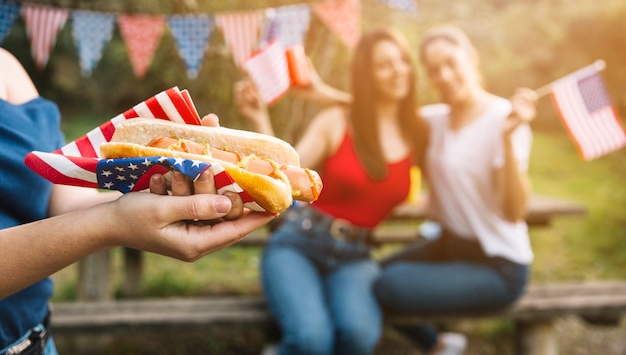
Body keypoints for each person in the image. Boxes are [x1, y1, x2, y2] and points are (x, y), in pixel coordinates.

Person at [0, 47, 275, 355]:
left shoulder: (8, 66)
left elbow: (64, 204)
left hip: (38, 340)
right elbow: (94, 225)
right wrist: (114, 224)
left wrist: (160, 195)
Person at [235, 29, 422, 355]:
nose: (398, 70)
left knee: (358, 337)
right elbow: (284, 171)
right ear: (367, 75)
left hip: (356, 256)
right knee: (311, 341)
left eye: (403, 60)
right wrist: (258, 118)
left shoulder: (419, 132)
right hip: (299, 243)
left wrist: (322, 91)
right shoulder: (336, 120)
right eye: (385, 64)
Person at [372, 24, 539, 354]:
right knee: (368, 274)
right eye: (434, 71)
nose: (444, 76)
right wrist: (318, 92)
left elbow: (514, 211)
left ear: (472, 59)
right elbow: (376, 111)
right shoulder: (435, 120)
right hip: (449, 245)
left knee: (388, 285)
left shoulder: (506, 119)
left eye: (451, 63)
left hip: (498, 265)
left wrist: (506, 140)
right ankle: (440, 343)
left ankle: (435, 343)